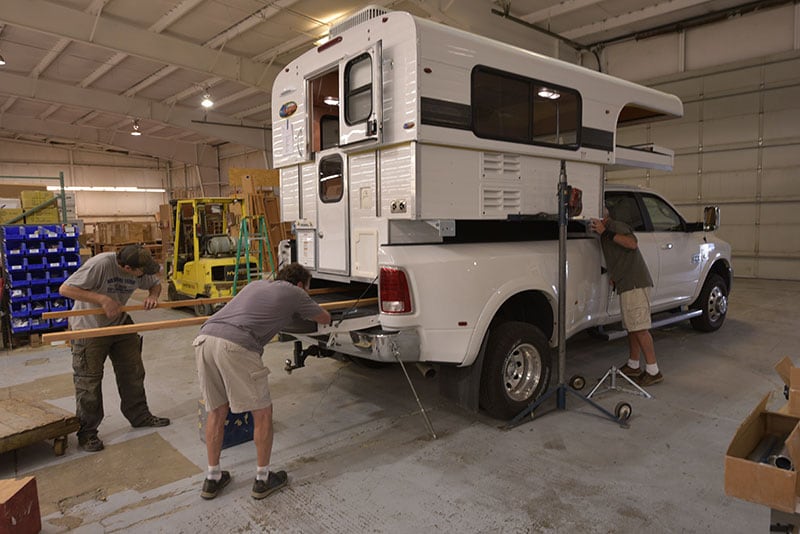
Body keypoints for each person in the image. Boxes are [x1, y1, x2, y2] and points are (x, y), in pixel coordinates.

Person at [193, 263, 331, 500]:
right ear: (300, 284)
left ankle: (213, 478)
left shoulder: (256, 284)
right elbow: (324, 317)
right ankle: (262, 479)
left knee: (216, 411)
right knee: (262, 413)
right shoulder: (296, 293)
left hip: (205, 339)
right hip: (236, 345)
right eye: (306, 289)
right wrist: (301, 306)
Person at [59, 244, 171, 453]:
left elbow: (154, 283)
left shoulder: (139, 269)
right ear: (127, 268)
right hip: (89, 327)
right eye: (140, 271)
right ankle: (87, 432)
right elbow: (65, 289)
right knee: (89, 381)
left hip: (119, 323)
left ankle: (139, 415)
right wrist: (102, 299)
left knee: (133, 372)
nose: (144, 274)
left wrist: (153, 296)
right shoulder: (100, 265)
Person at [590, 207, 662, 386]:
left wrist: (605, 232)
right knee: (632, 326)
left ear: (602, 216)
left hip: (635, 283)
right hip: (627, 283)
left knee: (639, 327)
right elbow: (618, 254)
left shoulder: (615, 226)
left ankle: (653, 371)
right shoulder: (606, 232)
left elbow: (632, 243)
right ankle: (634, 364)